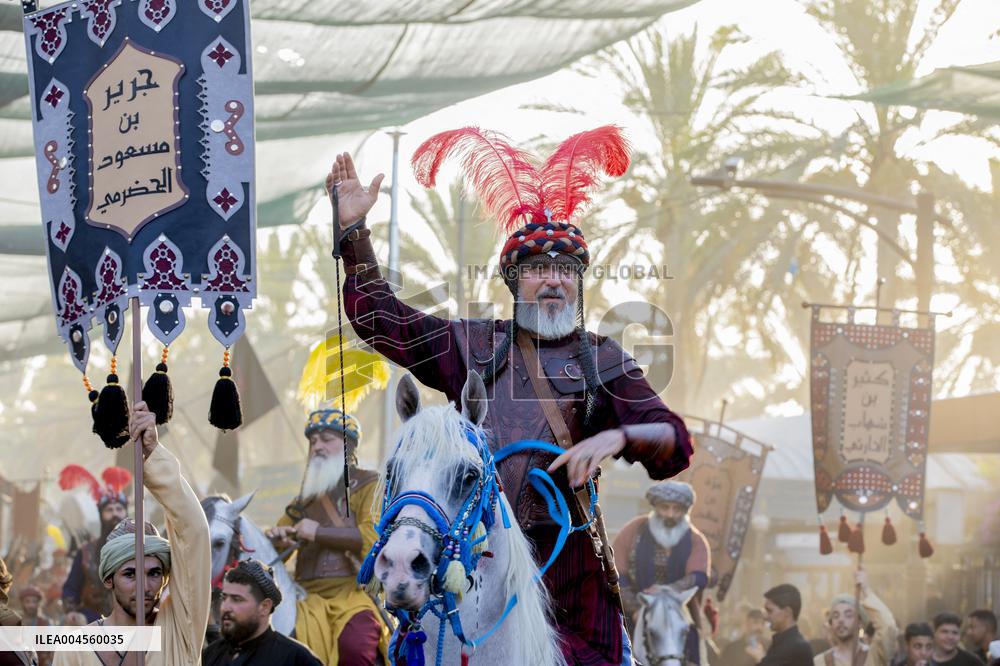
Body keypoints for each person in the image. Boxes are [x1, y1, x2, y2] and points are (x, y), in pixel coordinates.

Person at [329, 128, 691, 664]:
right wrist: (354, 230)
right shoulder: (472, 345)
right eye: (538, 269)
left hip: (569, 573)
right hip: (474, 559)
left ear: (578, 283)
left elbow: (674, 443)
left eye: (565, 271)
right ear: (515, 281)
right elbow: (383, 320)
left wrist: (618, 434)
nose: (552, 281)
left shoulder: (605, 359)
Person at [53, 401, 211, 666]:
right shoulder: (75, 650)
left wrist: (153, 454)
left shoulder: (180, 629)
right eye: (130, 574)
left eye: (154, 573)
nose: (145, 586)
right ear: (108, 579)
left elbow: (194, 531)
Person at [264, 407, 389, 665]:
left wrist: (317, 532)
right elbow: (270, 552)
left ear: (348, 447)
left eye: (327, 439)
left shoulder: (370, 484)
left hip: (352, 593)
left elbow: (372, 538)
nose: (317, 446)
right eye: (312, 441)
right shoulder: (304, 498)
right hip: (305, 598)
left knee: (356, 646)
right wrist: (277, 538)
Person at [613, 480, 710, 661]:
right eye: (665, 507)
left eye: (677, 509)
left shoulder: (695, 539)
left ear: (685, 511)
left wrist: (667, 590)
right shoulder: (634, 530)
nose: (670, 514)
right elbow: (617, 573)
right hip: (632, 609)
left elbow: (698, 577)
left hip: (678, 608)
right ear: (656, 507)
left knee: (693, 653)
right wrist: (635, 608)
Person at [202, 559, 321, 665]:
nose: (225, 607)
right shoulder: (210, 655)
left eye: (237, 599)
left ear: (265, 607)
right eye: (224, 598)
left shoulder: (297, 659)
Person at [58, 464, 132, 622]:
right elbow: (71, 588)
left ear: (126, 512)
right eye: (109, 510)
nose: (115, 514)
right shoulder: (86, 551)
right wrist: (71, 612)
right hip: (92, 620)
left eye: (119, 509)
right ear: (101, 514)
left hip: (131, 620)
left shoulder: (139, 548)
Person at [813, 569, 898, 665]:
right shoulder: (820, 661)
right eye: (836, 616)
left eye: (848, 615)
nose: (841, 620)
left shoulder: (874, 655)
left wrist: (865, 590)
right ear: (831, 624)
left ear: (860, 622)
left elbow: (888, 626)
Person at [746, 583, 813, 665]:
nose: (765, 616)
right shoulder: (780, 643)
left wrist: (760, 659)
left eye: (769, 610)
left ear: (787, 612)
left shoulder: (798, 647)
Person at [16, 587, 52, 666]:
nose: (31, 605)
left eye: (34, 601)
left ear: (38, 603)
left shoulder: (45, 623)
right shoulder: (16, 621)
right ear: (22, 603)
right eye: (27, 601)